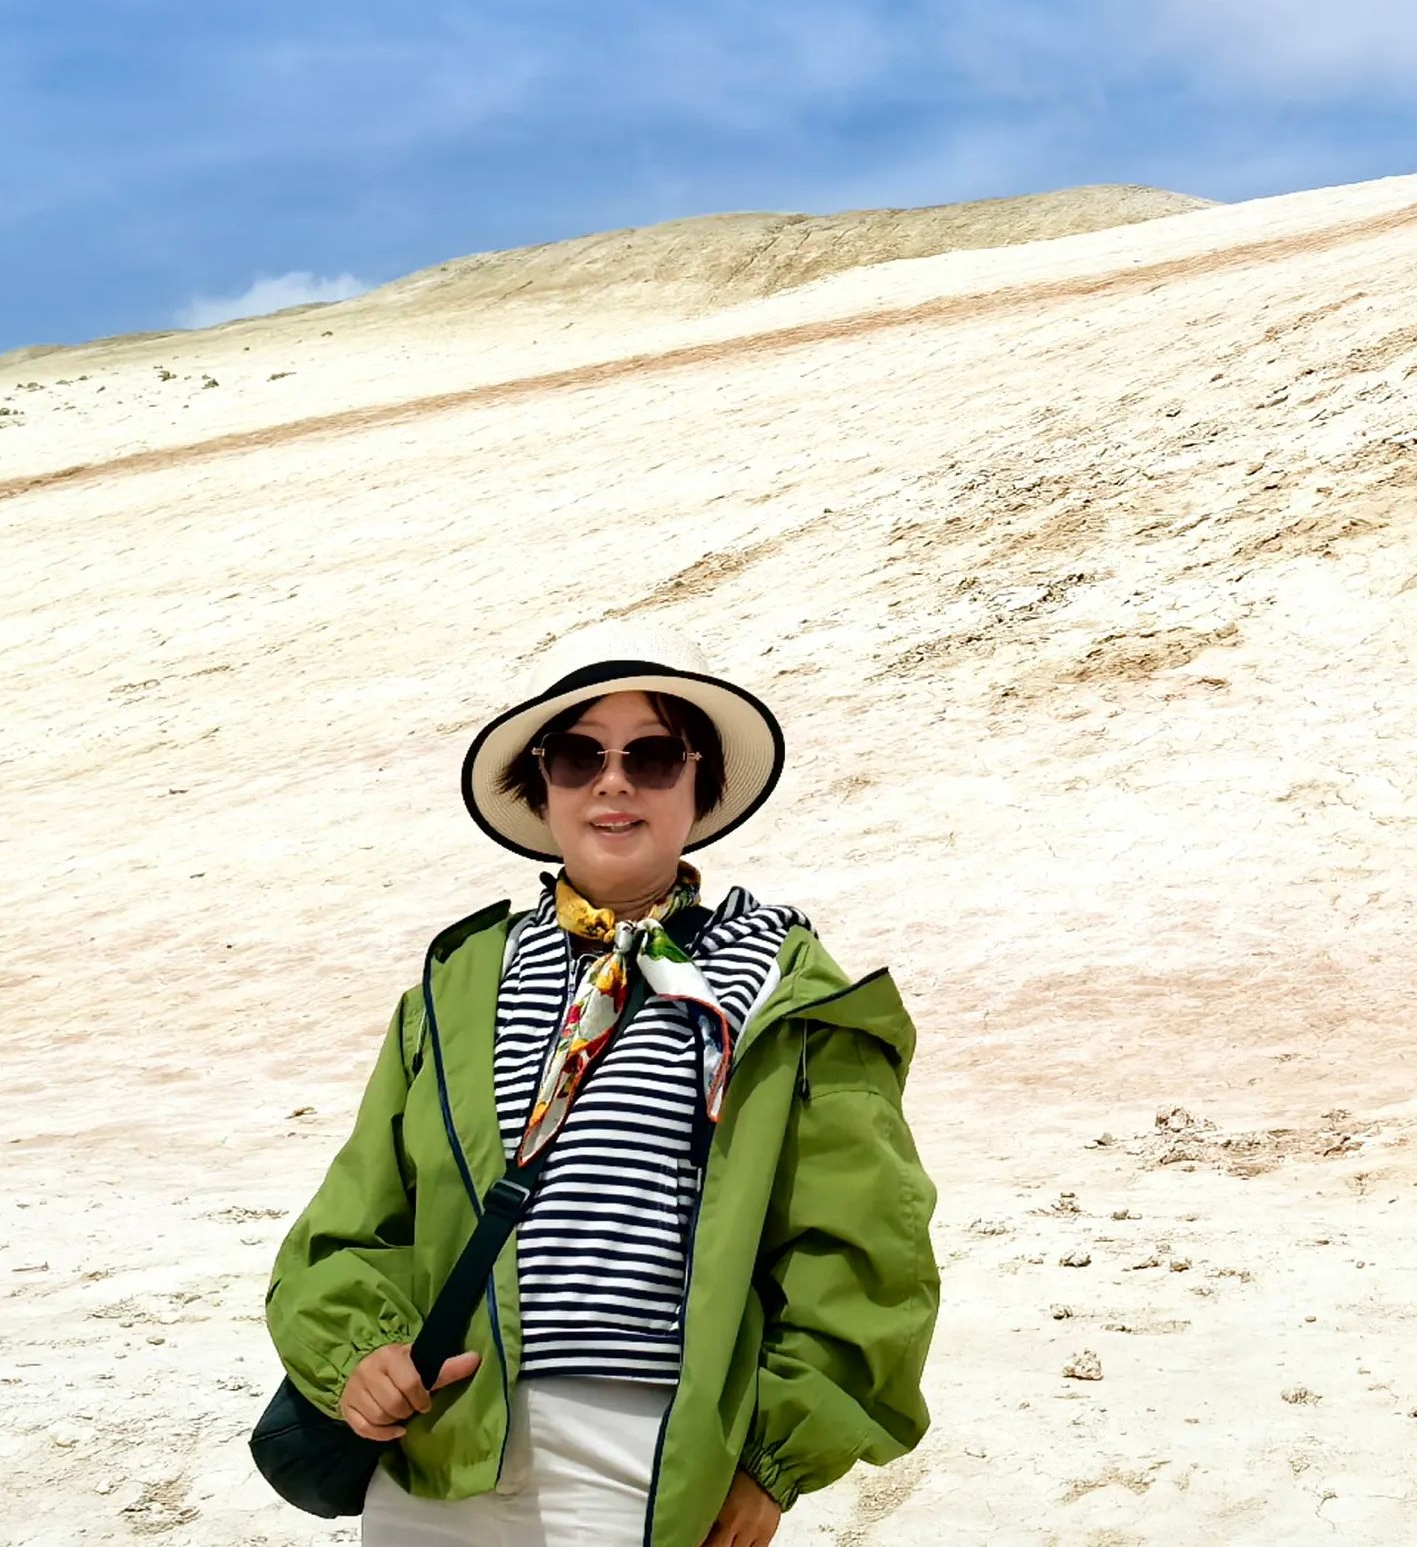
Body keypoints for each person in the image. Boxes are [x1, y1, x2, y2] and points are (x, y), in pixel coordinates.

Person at [267, 653, 939, 1547]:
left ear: (699, 788)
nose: (612, 783)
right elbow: (355, 1218)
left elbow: (863, 1242)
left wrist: (771, 1462)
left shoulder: (779, 978)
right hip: (439, 1445)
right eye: (579, 757)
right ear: (543, 786)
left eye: (652, 757)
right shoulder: (461, 982)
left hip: (645, 1456)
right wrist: (359, 1355)